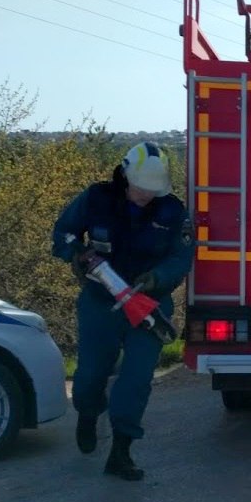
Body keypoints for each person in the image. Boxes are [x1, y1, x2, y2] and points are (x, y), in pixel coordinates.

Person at [52, 142, 194, 481]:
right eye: (141, 186)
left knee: (135, 380)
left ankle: (121, 451)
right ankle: (88, 413)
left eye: (153, 189)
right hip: (101, 302)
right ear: (126, 175)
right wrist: (77, 254)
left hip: (149, 307)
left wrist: (156, 278)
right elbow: (63, 233)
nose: (147, 194)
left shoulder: (173, 212)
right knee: (88, 377)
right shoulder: (96, 198)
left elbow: (182, 258)